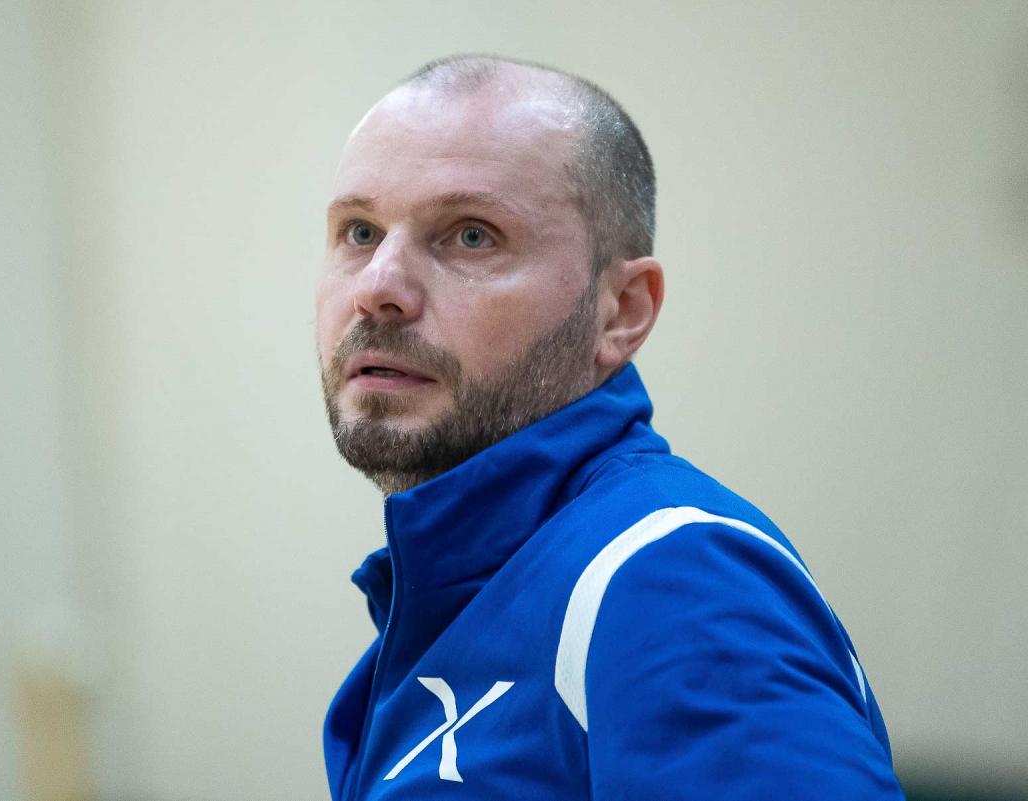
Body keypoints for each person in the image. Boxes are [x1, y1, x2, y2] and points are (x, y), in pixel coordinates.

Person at [315, 54, 903, 800]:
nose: (378, 288)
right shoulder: (457, 594)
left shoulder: (669, 580)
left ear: (621, 310)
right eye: (360, 232)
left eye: (471, 236)